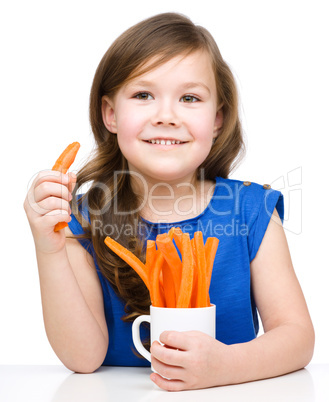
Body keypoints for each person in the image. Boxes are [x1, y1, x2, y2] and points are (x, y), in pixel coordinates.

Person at [24, 12, 314, 391]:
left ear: (217, 120)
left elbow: (297, 338)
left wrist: (226, 365)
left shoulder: (251, 210)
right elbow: (83, 359)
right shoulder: (83, 218)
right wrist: (49, 249)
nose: (166, 116)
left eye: (189, 98)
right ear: (111, 114)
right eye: (143, 95)